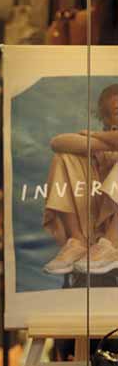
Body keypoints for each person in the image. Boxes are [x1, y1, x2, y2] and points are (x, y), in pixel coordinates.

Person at [43, 83, 118, 274]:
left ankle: (110, 244)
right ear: (107, 117)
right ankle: (77, 241)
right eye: (116, 111)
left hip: (112, 231)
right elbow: (57, 142)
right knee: (65, 156)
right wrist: (106, 140)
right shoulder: (104, 145)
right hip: (94, 217)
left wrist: (93, 136)